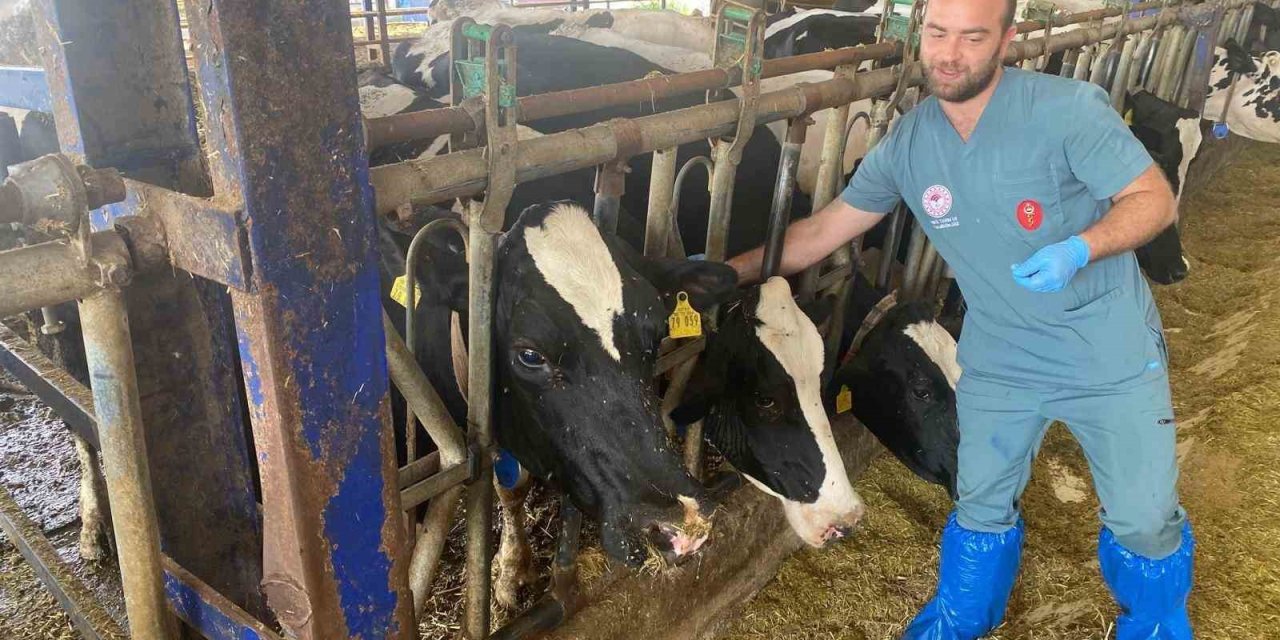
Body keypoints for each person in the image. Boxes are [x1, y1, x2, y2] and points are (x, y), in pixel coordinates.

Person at [726, 0, 1195, 637]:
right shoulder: (913, 141)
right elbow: (826, 231)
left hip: (1104, 349)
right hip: (1000, 355)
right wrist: (728, 272)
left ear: (1007, 39)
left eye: (972, 36)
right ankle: (961, 618)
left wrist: (1081, 247)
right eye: (938, 33)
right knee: (980, 499)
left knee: (1143, 517)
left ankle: (1154, 624)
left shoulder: (1068, 109)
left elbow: (1153, 201)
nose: (950, 53)